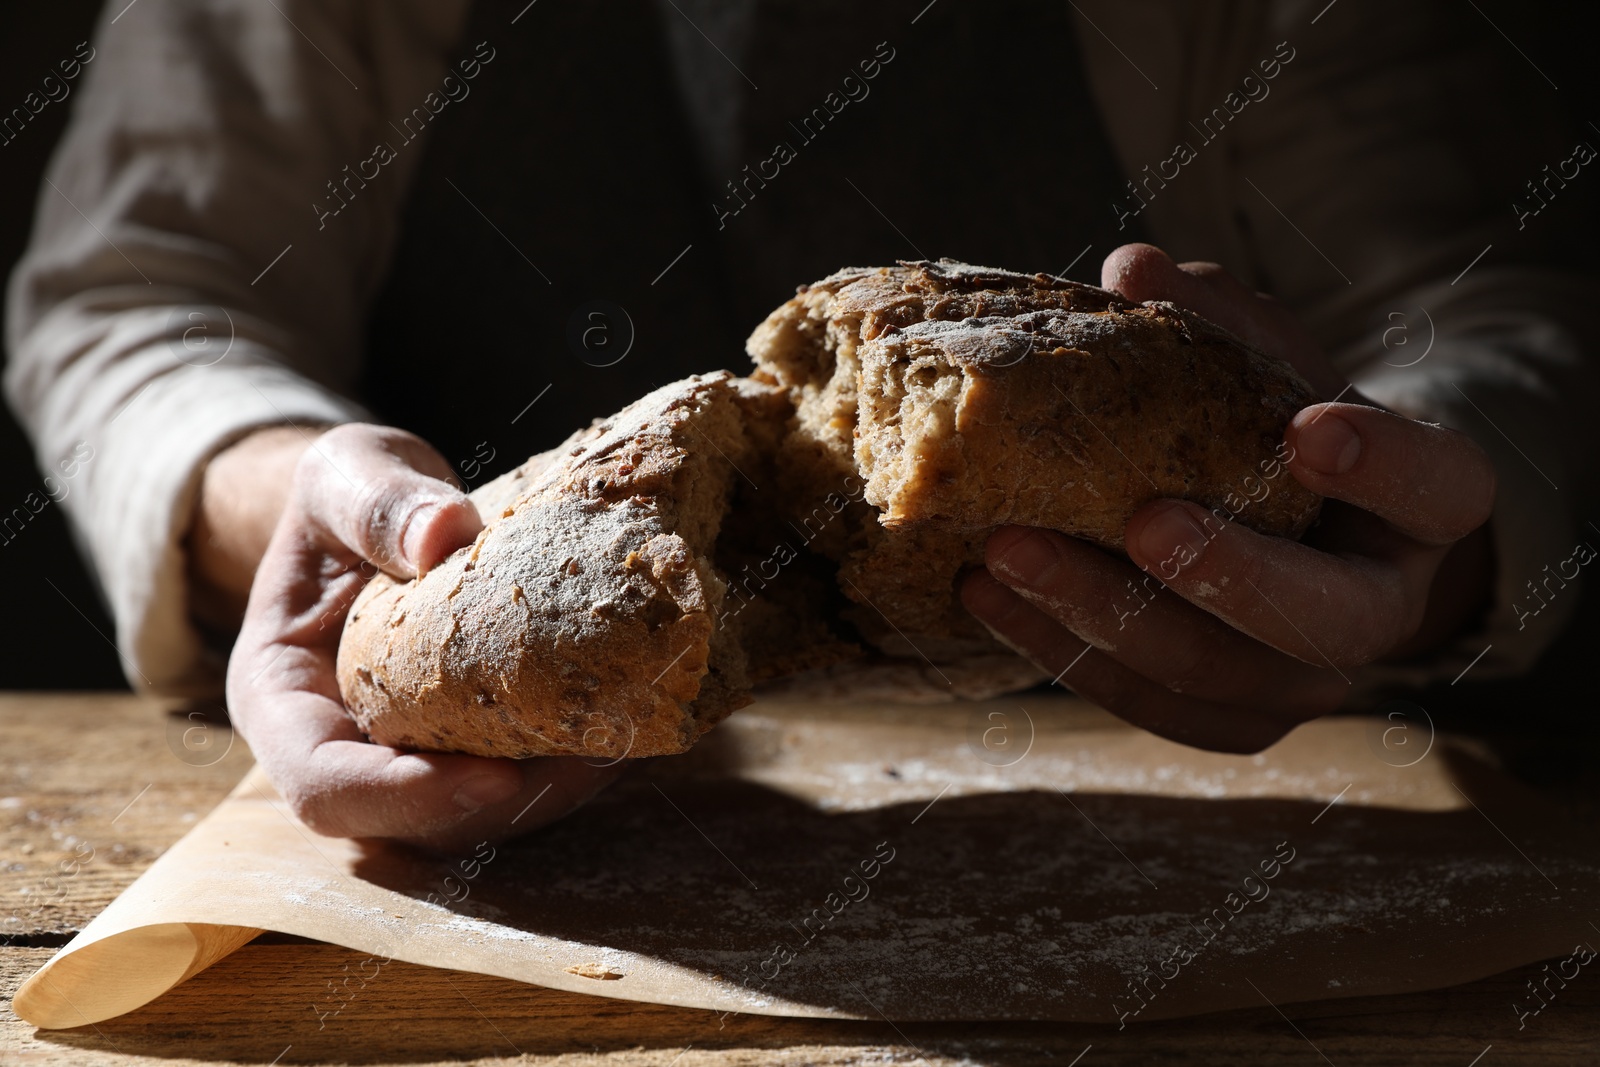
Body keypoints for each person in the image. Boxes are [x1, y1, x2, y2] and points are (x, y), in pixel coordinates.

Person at [6, 0, 1596, 850]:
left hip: (1198, 826)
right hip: (559, 835)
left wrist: (1413, 536)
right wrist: (288, 496)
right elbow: (134, 296)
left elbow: (1503, 306)